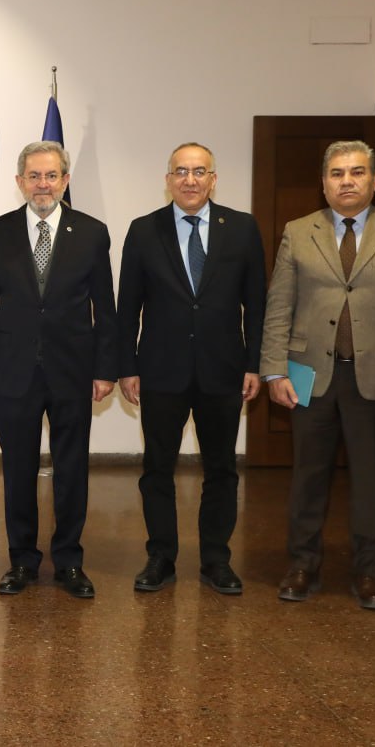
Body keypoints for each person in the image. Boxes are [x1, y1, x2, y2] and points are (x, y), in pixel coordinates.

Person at [260, 140, 375, 610]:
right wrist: (274, 370)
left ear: (374, 180)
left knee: (371, 480)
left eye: (356, 172)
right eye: (336, 173)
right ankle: (302, 564)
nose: (346, 181)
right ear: (323, 182)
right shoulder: (298, 231)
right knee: (307, 477)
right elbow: (279, 305)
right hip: (309, 375)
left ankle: (371, 570)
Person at [0, 141, 117, 599]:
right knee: (18, 469)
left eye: (51, 176)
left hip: (73, 370)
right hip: (13, 371)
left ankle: (70, 561)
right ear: (19, 182)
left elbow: (105, 308)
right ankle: (22, 561)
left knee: (72, 468)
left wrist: (105, 369)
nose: (42, 185)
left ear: (65, 181)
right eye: (33, 176)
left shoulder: (92, 233)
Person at [117, 142, 264, 595]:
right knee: (157, 468)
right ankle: (161, 556)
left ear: (213, 179)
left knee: (221, 469)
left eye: (199, 171)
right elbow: (128, 306)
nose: (190, 179)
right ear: (168, 180)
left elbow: (256, 303)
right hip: (161, 370)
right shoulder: (144, 230)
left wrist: (254, 363)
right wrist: (126, 366)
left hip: (224, 369)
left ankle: (216, 559)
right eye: (181, 171)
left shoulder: (241, 228)